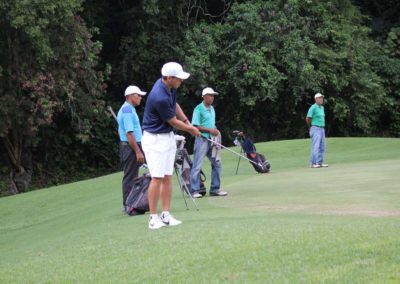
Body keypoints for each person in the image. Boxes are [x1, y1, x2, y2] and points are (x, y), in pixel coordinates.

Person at [141, 62, 201, 230]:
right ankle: (153, 218)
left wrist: (187, 122)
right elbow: (172, 120)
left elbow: (175, 106)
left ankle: (165, 215)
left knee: (167, 176)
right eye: (179, 78)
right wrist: (190, 130)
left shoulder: (169, 87)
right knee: (157, 177)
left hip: (167, 137)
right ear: (169, 78)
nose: (181, 81)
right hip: (154, 140)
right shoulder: (158, 95)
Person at [190, 87, 227, 198]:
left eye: (213, 95)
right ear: (204, 96)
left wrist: (214, 130)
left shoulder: (212, 108)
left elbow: (211, 124)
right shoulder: (198, 109)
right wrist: (209, 130)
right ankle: (194, 190)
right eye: (210, 95)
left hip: (212, 141)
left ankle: (215, 189)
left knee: (217, 163)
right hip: (201, 140)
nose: (212, 97)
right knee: (197, 165)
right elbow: (195, 126)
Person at [117, 85, 146, 209]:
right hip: (131, 147)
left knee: (133, 175)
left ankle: (133, 203)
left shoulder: (129, 109)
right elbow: (129, 133)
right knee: (130, 176)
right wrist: (138, 151)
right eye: (137, 95)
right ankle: (128, 205)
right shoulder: (127, 111)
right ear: (129, 97)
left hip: (132, 146)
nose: (140, 97)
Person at [306, 92, 328, 168]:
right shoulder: (313, 107)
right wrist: (310, 127)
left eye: (322, 98)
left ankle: (319, 162)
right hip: (315, 128)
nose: (321, 99)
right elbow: (308, 118)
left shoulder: (322, 108)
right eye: (319, 98)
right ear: (315, 99)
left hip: (322, 128)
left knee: (322, 146)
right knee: (316, 146)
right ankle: (313, 163)